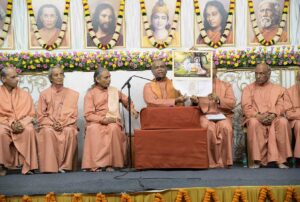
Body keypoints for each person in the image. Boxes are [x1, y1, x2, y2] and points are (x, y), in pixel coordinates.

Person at [81, 68, 139, 172]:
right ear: (97, 80)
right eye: (106, 77)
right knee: (94, 129)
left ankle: (111, 164)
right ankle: (96, 165)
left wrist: (132, 109)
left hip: (113, 120)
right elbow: (88, 114)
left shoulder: (114, 91)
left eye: (109, 77)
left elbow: (126, 100)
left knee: (113, 129)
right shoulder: (90, 93)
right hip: (96, 121)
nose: (109, 80)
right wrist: (103, 119)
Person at [241, 63, 292, 168]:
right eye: (256, 74)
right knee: (253, 123)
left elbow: (281, 105)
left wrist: (274, 114)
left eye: (261, 73)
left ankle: (281, 160)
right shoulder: (248, 89)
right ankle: (257, 160)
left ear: (269, 74)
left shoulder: (279, 89)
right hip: (256, 118)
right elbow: (246, 106)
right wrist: (258, 116)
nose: (258, 76)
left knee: (283, 122)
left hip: (274, 117)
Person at [190, 66, 236, 168]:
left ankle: (225, 161)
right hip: (205, 115)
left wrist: (219, 99)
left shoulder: (226, 85)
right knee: (208, 128)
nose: (210, 70)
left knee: (226, 128)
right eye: (207, 68)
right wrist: (195, 102)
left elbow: (232, 103)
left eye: (213, 68)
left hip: (222, 115)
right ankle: (209, 162)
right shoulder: (197, 85)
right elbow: (195, 105)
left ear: (216, 70)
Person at [36, 66, 79, 173]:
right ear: (50, 78)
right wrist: (53, 124)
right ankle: (50, 167)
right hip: (49, 125)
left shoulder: (72, 94)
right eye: (56, 75)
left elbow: (73, 115)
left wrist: (62, 124)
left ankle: (65, 167)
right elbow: (41, 115)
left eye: (61, 74)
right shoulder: (44, 94)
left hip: (66, 124)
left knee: (70, 131)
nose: (59, 77)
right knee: (47, 131)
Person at [0, 67, 38, 176]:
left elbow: (31, 114)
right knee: (1, 133)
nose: (17, 79)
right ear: (3, 79)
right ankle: (2, 165)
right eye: (13, 77)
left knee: (29, 129)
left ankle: (29, 166)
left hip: (23, 123)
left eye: (17, 76)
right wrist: (11, 123)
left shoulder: (25, 94)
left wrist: (21, 124)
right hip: (4, 124)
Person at [284, 71, 300, 167]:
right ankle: (299, 158)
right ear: (298, 78)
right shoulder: (289, 92)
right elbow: (289, 113)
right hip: (296, 121)